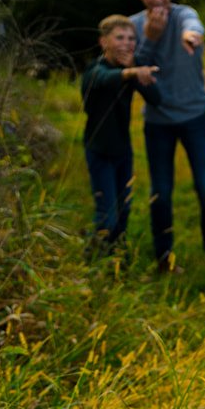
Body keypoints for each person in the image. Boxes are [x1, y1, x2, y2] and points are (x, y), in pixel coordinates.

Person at [130, 0, 205, 272]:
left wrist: (191, 36)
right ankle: (164, 259)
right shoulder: (134, 26)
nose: (158, 0)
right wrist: (152, 36)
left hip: (195, 116)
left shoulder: (185, 14)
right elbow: (136, 71)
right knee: (161, 192)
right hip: (158, 121)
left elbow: (193, 23)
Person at [80, 15, 161, 252]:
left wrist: (133, 72)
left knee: (124, 209)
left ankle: (116, 258)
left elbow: (156, 99)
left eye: (131, 39)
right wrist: (131, 72)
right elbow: (105, 79)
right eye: (119, 38)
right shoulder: (95, 69)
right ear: (103, 42)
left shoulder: (130, 69)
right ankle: (94, 258)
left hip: (123, 151)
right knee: (107, 215)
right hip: (99, 150)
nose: (126, 43)